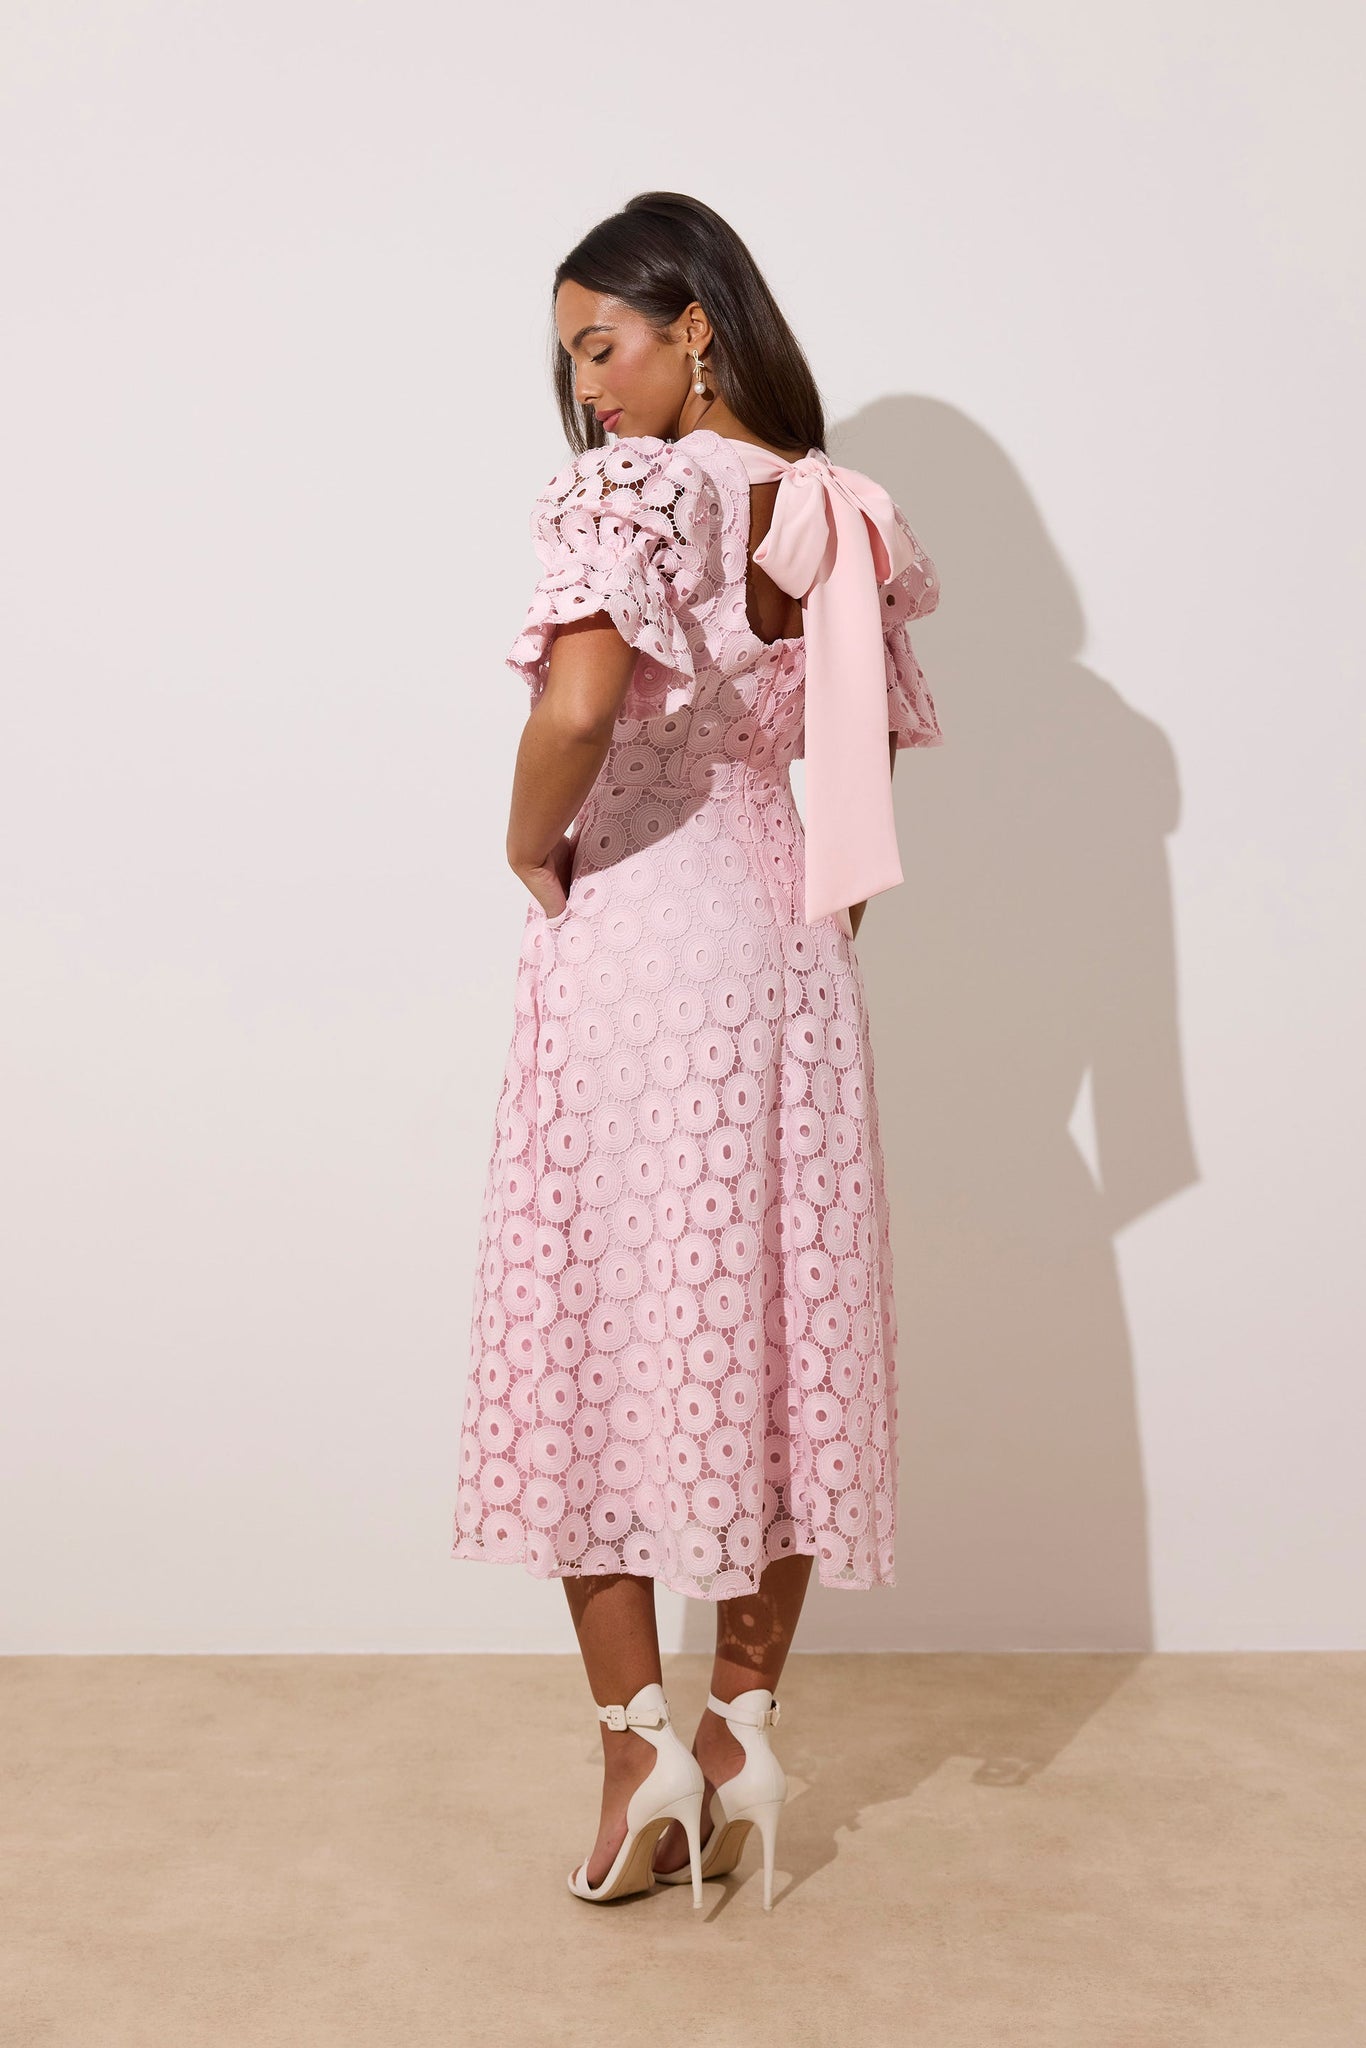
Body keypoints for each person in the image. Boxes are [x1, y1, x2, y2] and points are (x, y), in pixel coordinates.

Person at [450, 191, 944, 1906]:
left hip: (640, 934)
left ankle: (632, 1752)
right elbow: (860, 770)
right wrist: (805, 928)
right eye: (570, 359)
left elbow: (581, 706)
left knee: (591, 1326)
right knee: (772, 1327)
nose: (587, 387)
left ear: (696, 329)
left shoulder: (629, 491)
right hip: (787, 947)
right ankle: (741, 1732)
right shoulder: (833, 507)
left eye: (605, 344)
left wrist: (526, 842)